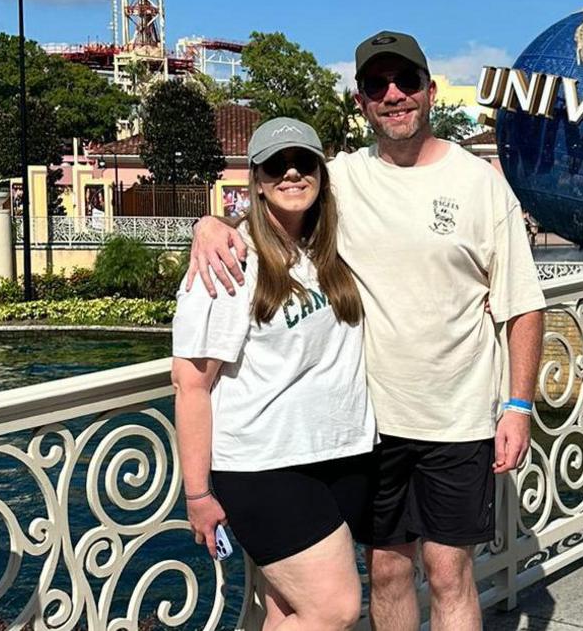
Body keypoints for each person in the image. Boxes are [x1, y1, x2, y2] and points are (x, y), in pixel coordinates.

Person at [188, 31, 546, 630]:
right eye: (378, 86)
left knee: (451, 574)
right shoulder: (341, 179)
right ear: (361, 102)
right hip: (370, 427)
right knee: (384, 572)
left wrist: (518, 405)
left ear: (430, 92)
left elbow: (523, 306)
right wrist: (209, 223)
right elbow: (280, 190)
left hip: (458, 418)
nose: (394, 96)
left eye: (406, 82)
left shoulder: (480, 184)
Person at [172, 117, 374, 630]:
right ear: (256, 180)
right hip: (265, 464)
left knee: (289, 610)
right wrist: (197, 494)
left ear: (321, 174)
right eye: (275, 166)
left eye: (303, 162)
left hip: (338, 453)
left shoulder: (330, 245)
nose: (291, 174)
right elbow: (190, 383)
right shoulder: (230, 261)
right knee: (336, 608)